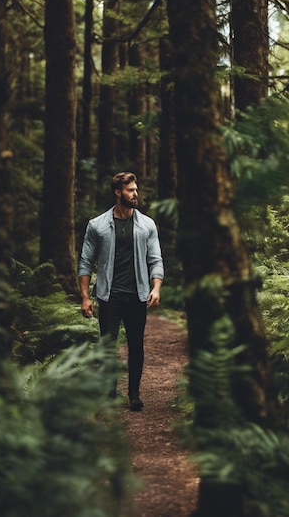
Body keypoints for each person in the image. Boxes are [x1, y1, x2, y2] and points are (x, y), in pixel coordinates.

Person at [78, 171, 164, 411]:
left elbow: (155, 260)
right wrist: (85, 296)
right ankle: (108, 394)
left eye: (136, 189)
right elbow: (85, 262)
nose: (135, 194)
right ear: (118, 193)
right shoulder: (97, 225)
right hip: (110, 295)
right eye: (130, 190)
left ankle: (134, 394)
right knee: (108, 345)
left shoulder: (147, 225)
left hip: (137, 295)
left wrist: (156, 288)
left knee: (136, 345)